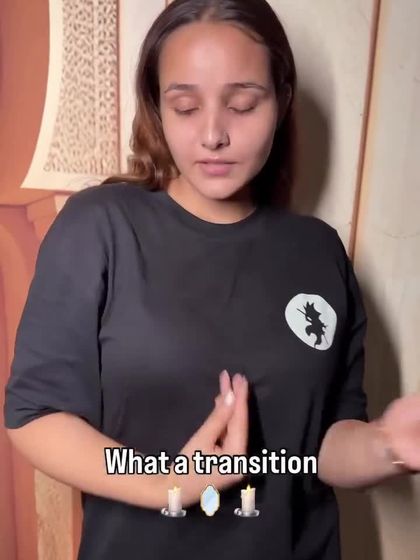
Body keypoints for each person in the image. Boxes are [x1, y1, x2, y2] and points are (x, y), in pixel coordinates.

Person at [4, 0, 420, 559]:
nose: (212, 135)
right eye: (185, 106)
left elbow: (320, 446)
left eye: (243, 104)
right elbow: (35, 416)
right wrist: (164, 482)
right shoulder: (102, 227)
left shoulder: (319, 251)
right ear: (157, 107)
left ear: (282, 101)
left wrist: (388, 445)